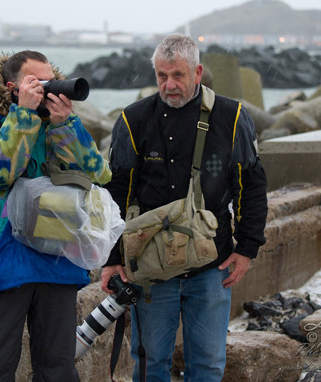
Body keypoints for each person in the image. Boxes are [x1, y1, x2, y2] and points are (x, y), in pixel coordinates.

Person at [100, 34, 268, 381]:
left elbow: (251, 184)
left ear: (198, 72)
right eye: (162, 76)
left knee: (207, 366)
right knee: (150, 366)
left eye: (178, 75)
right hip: (149, 268)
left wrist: (248, 248)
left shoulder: (232, 116)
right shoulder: (134, 120)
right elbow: (116, 192)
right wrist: (112, 259)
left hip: (213, 266)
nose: (169, 85)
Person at [0, 50, 111, 382]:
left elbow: (98, 174)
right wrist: (23, 116)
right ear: (12, 86)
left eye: (49, 80)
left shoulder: (55, 127)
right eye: (36, 82)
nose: (46, 89)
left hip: (56, 260)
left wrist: (66, 125)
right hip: (1, 261)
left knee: (58, 369)